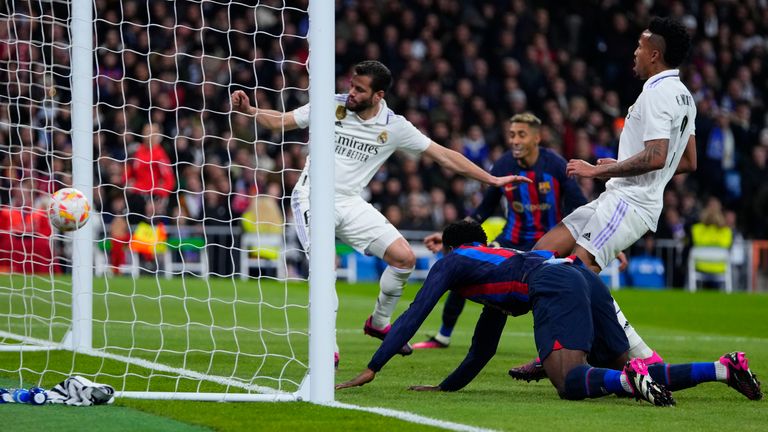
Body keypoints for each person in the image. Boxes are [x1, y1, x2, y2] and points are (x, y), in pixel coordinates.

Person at [230, 60, 531, 360]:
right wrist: (251, 111)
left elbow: (443, 155)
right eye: (351, 85)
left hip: (350, 201)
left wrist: (490, 178)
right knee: (326, 265)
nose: (350, 93)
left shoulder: (394, 126)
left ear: (378, 96)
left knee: (404, 258)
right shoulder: (328, 105)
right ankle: (327, 346)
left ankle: (378, 323)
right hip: (312, 197)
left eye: (359, 90)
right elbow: (281, 121)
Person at [336, 221, 763, 406]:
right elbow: (483, 347)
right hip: (578, 275)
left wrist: (373, 366)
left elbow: (414, 313)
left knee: (571, 383)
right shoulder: (495, 268)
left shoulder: (453, 261)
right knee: (632, 367)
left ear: (449, 247)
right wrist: (445, 388)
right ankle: (723, 369)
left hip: (554, 282)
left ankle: (630, 381)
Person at [511, 17, 698, 379]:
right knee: (540, 256)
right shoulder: (685, 97)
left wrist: (599, 170)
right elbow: (686, 161)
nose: (635, 53)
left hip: (630, 202)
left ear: (655, 54)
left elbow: (658, 156)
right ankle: (594, 348)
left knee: (575, 275)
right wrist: (627, 165)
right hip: (621, 196)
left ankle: (572, 354)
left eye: (640, 47)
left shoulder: (658, 94)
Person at [414, 112, 587, 349]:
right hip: (511, 240)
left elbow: (580, 206)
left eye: (521, 135)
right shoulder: (504, 164)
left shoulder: (555, 165)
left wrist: (596, 239)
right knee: (461, 264)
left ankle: (561, 346)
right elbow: (483, 209)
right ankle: (444, 336)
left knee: (560, 291)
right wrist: (449, 237)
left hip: (548, 245)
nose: (515, 140)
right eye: (512, 134)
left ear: (536, 138)